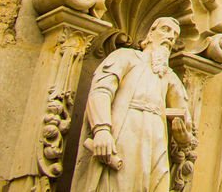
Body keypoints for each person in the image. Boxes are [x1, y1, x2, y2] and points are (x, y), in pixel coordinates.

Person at [72, 17, 193, 192]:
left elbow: (185, 117)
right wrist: (102, 130)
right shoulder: (126, 57)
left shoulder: (169, 76)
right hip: (127, 128)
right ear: (150, 33)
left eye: (174, 35)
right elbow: (101, 90)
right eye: (165, 30)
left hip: (157, 137)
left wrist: (183, 138)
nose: (170, 37)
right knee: (118, 183)